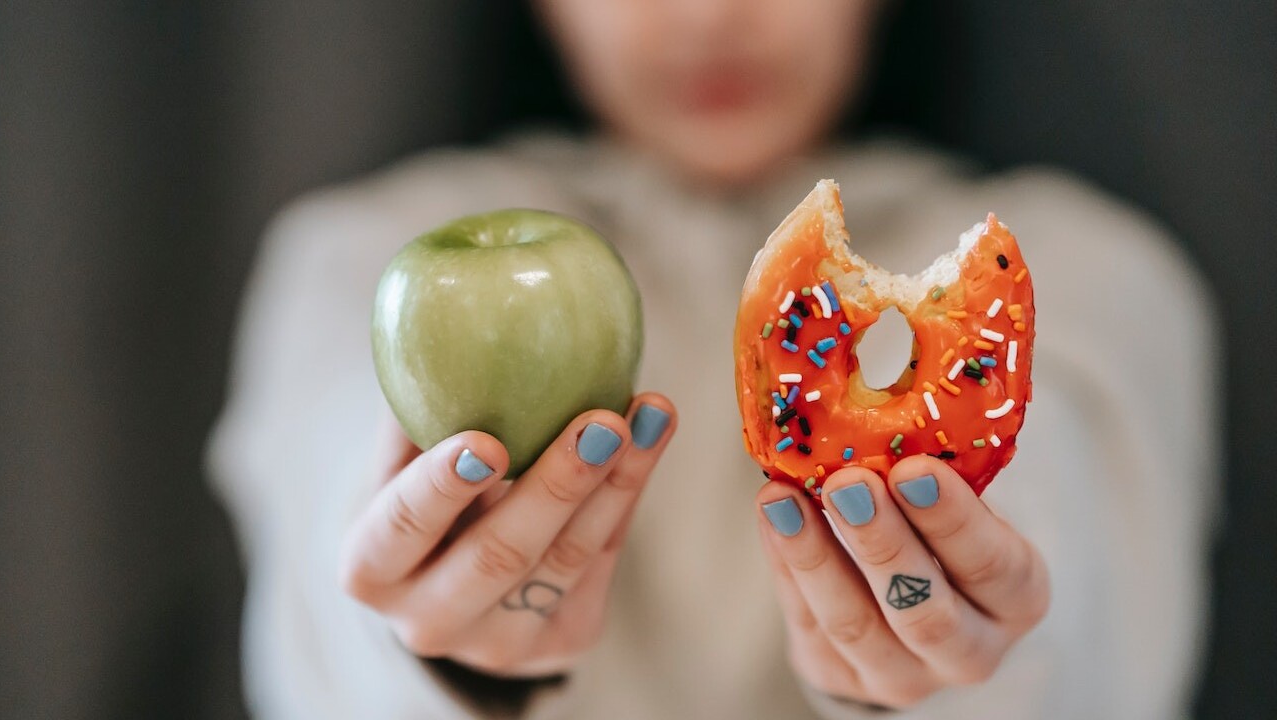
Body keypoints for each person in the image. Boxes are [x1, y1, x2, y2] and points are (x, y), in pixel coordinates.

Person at [208, 1, 1219, 717]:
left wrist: (965, 644)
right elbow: (322, 571)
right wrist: (439, 650)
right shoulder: (351, 255)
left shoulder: (1093, 266)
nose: (707, 16)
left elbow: (1075, 551)